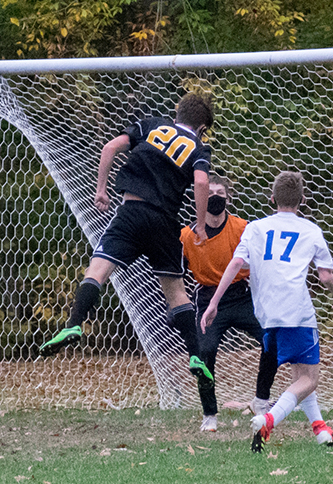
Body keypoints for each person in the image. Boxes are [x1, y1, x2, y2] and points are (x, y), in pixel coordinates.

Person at [39, 93, 215, 383]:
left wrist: (101, 189)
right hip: (165, 223)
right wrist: (199, 225)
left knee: (98, 269)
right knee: (176, 293)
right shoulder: (198, 148)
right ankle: (195, 354)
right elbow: (201, 181)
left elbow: (110, 147)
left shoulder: (153, 126)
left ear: (177, 115)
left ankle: (74, 323)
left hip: (131, 212)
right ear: (201, 128)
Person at [201, 171, 333, 452]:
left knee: (298, 374)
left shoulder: (255, 228)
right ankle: (269, 418)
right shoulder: (311, 230)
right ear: (302, 200)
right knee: (310, 379)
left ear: (272, 199)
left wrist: (214, 302)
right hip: (298, 312)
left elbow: (235, 264)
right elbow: (326, 277)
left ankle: (320, 430)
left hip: (266, 313)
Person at [180, 174, 279, 432]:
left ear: (229, 199)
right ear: (198, 200)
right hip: (209, 299)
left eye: (220, 194)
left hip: (243, 295)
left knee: (273, 340)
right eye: (208, 193)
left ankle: (261, 399)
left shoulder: (243, 228)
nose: (214, 198)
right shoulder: (187, 237)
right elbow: (177, 274)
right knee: (205, 353)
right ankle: (209, 414)